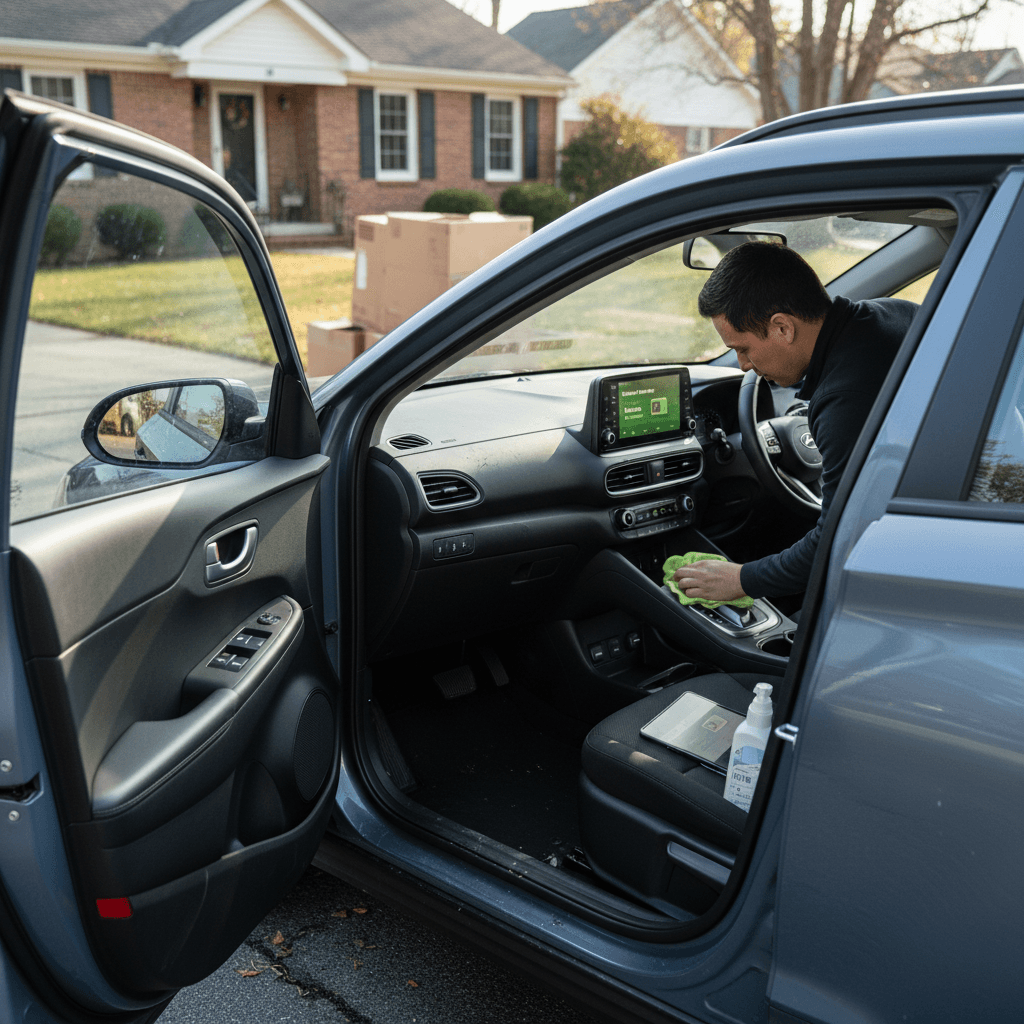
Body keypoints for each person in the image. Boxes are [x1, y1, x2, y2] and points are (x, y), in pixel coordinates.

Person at [674, 241, 918, 604]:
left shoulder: (844, 400)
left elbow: (842, 539)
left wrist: (742, 579)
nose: (741, 365)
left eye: (743, 348)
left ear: (783, 328)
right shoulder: (892, 313)